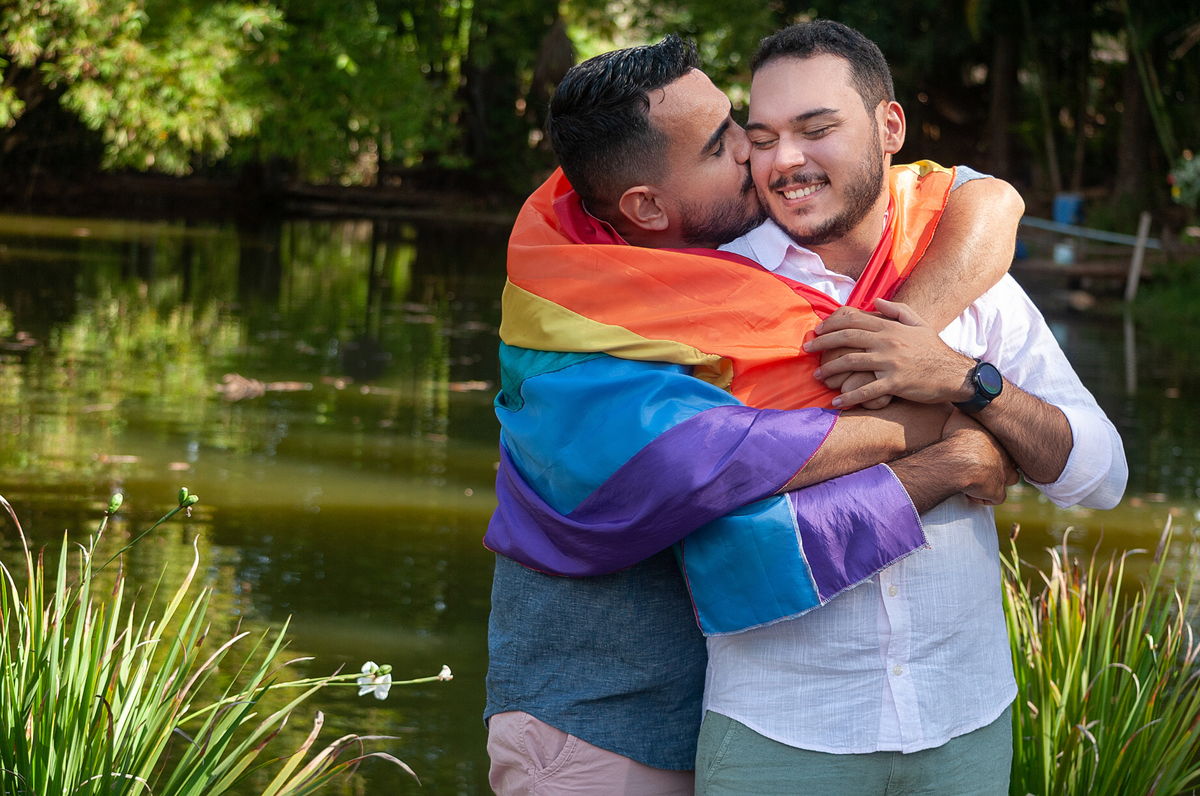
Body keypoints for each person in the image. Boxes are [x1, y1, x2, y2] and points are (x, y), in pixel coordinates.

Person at [485, 34, 1025, 796]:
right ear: (646, 206)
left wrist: (907, 343)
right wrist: (944, 436)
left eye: (737, 122)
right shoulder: (577, 328)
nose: (754, 153)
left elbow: (986, 198)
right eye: (721, 144)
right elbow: (712, 462)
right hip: (595, 733)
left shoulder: (707, 245)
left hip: (692, 725)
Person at [690, 21, 1126, 795]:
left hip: (965, 725)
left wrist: (967, 381)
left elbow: (1100, 478)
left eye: (816, 129)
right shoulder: (708, 293)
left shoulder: (965, 272)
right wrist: (953, 450)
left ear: (889, 127)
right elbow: (695, 484)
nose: (785, 161)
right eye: (762, 138)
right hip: (781, 733)